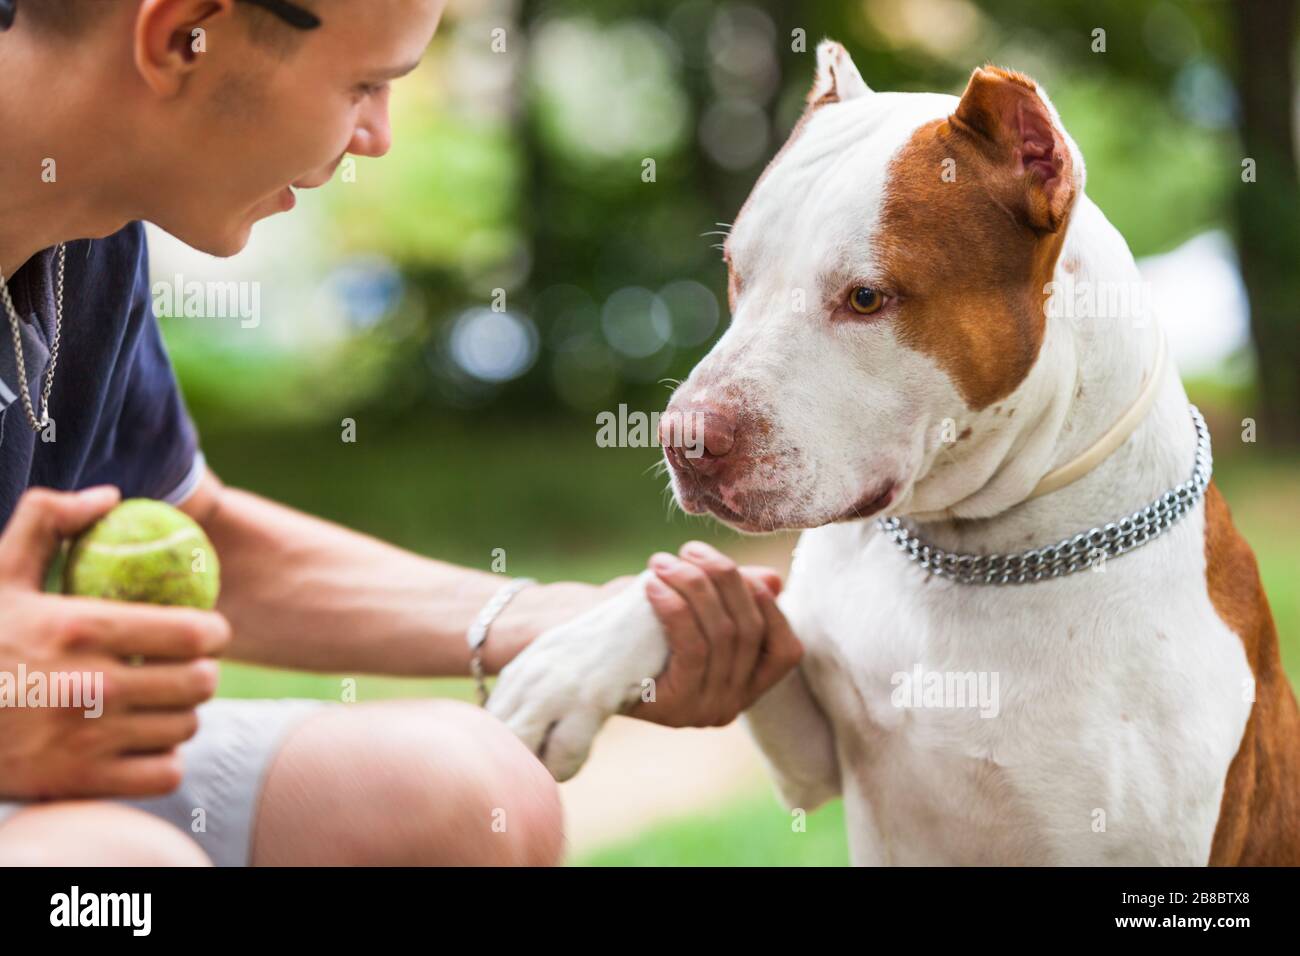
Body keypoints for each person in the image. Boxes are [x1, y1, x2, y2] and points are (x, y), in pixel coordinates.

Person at [0, 0, 802, 866]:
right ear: (178, 37)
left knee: (468, 789)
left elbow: (199, 528)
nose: (378, 136)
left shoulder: (92, 242)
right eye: (363, 86)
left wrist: (555, 621)